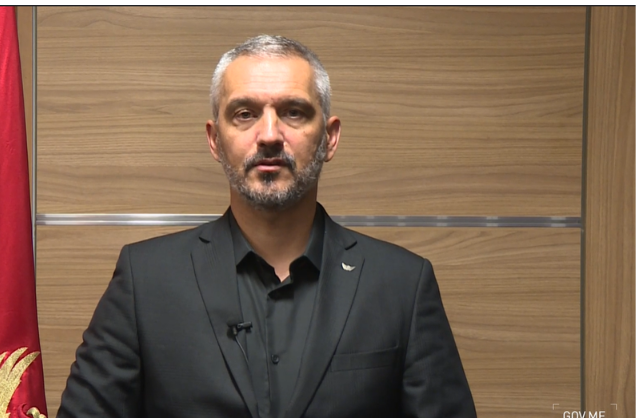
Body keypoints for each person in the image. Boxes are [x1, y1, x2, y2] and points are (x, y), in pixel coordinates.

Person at [57, 34, 476, 418]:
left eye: (294, 113)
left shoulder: (403, 285)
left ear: (329, 138)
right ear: (215, 140)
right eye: (245, 114)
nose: (270, 135)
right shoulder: (145, 280)